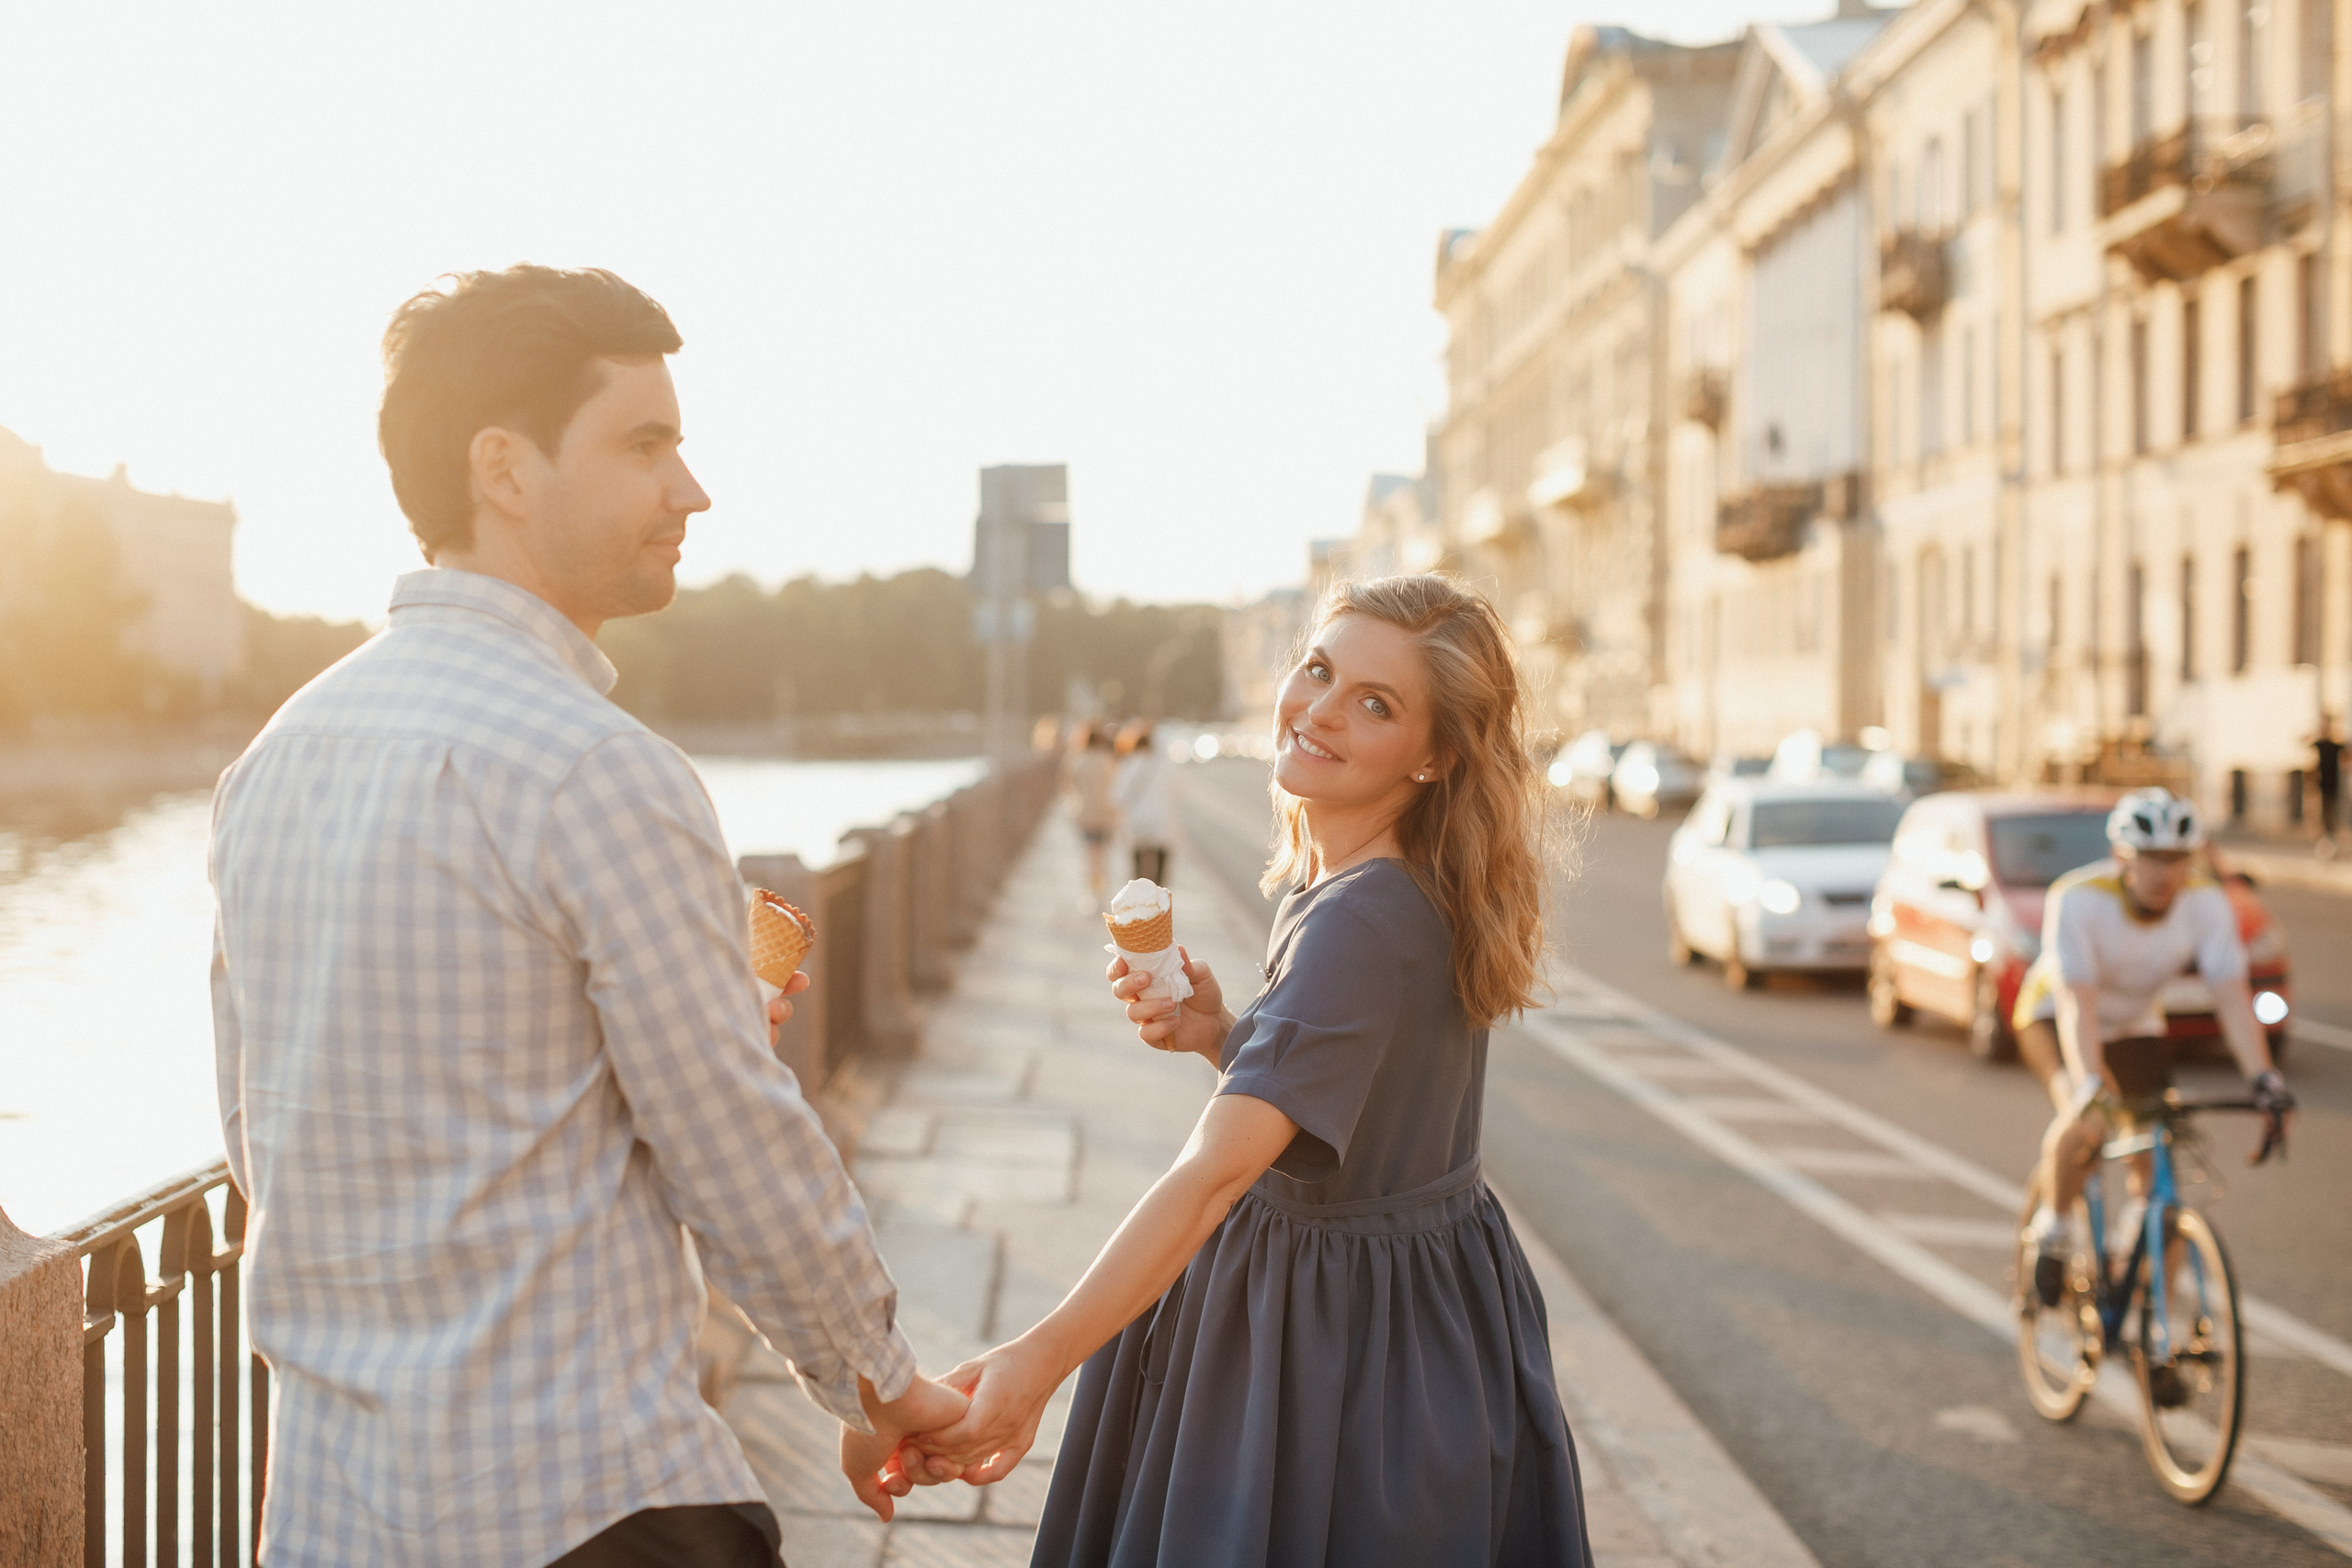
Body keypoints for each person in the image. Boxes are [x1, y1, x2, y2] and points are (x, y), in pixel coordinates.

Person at [209, 265, 963, 1568]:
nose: (692, 488)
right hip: (584, 1501)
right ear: (503, 467)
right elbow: (735, 1147)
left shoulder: (274, 758)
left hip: (335, 1515)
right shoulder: (597, 767)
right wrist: (879, 1385)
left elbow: (255, 1133)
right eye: (646, 443)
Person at [910, 574, 1594, 1566]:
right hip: (1423, 1320)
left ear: (1436, 754)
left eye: (1376, 703)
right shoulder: (1381, 888)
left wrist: (1039, 1358)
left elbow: (1215, 1173)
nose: (1319, 709)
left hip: (1329, 1343)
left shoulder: (1357, 920)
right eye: (1318, 668)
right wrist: (1224, 1035)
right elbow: (1359, 1109)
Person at [2015, 788, 2296, 1310]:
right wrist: (2091, 1085)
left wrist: (2265, 1078)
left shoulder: (2206, 901)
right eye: (2151, 858)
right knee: (2086, 1120)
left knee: (2155, 1161)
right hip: (2056, 1015)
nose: (2165, 873)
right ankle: (2052, 1230)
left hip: (2135, 1022)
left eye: (2176, 859)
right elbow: (2078, 1002)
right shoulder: (2078, 898)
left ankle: (2145, 1303)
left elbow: (2232, 997)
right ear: (2124, 856)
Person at [1113, 721, 1174, 886]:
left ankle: (1138, 893)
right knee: (1161, 855)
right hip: (1160, 817)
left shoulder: (1129, 763)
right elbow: (1179, 788)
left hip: (1137, 818)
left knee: (1138, 858)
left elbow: (1118, 795)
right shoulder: (1164, 763)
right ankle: (1160, 892)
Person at [1068, 722, 1120, 903]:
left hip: (1085, 814)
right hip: (1106, 814)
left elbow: (1069, 786)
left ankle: (1093, 892)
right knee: (1104, 855)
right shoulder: (1108, 759)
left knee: (1091, 856)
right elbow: (1116, 787)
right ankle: (1103, 891)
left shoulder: (1077, 760)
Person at [2314, 716, 2343, 854]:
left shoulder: (2335, 745)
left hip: (2333, 785)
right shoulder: (2320, 743)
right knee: (2322, 816)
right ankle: (2326, 841)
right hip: (2321, 786)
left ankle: (2330, 841)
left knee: (2330, 815)